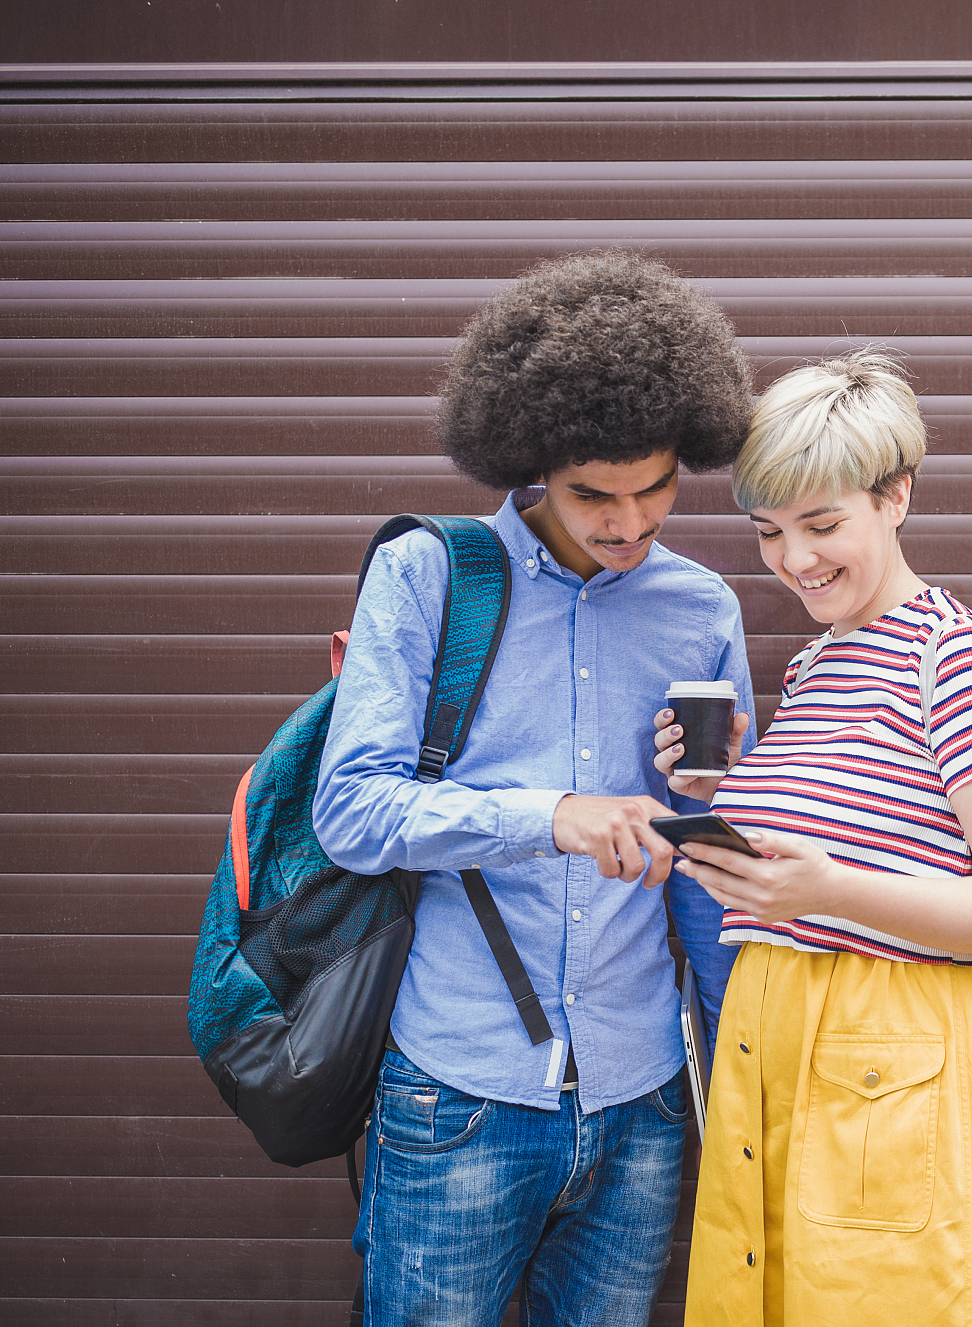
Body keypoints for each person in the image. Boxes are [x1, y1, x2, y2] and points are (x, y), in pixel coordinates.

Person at [313, 251, 755, 1326]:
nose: (628, 523)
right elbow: (353, 811)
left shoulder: (700, 607)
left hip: (642, 1093)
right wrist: (549, 817)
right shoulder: (427, 576)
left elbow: (706, 863)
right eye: (593, 495)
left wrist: (741, 1049)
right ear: (528, 467)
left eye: (656, 488)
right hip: (457, 1089)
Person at [654, 351, 972, 1327]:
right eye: (768, 532)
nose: (795, 560)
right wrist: (712, 794)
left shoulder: (962, 662)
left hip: (903, 1085)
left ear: (895, 496)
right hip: (792, 1077)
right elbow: (850, 842)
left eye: (822, 524)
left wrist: (828, 891)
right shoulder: (817, 666)